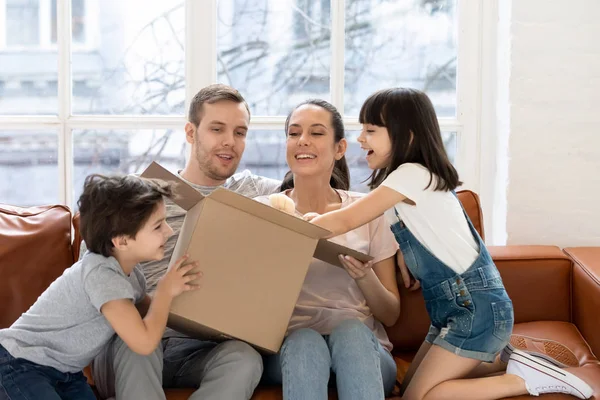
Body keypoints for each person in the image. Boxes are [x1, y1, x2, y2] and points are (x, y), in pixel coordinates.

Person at [306, 88, 593, 400]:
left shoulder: (411, 175)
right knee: (409, 386)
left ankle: (527, 380)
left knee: (421, 397)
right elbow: (359, 215)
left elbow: (348, 219)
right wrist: (404, 250)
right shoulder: (405, 186)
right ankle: (507, 361)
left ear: (409, 136)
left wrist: (296, 227)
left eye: (371, 130)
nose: (361, 138)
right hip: (453, 310)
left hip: (475, 310)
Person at [89, 84, 282, 400]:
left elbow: (317, 193)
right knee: (140, 339)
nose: (229, 142)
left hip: (203, 346)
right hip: (132, 339)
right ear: (191, 133)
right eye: (217, 129)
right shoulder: (140, 193)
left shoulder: (257, 192)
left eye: (240, 132)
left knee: (244, 359)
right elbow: (93, 265)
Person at [0, 174, 199, 399]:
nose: (169, 231)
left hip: (66, 372)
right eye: (158, 226)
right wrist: (165, 290)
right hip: (21, 363)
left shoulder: (130, 272)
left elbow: (146, 310)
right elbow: (143, 343)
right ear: (121, 241)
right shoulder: (102, 275)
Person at [257, 99, 400, 400]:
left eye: (317, 133)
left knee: (351, 332)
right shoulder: (263, 212)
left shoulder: (367, 212)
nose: (303, 141)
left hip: (365, 350)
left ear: (340, 148)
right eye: (294, 133)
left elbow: (390, 314)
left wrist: (364, 276)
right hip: (289, 350)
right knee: (304, 341)